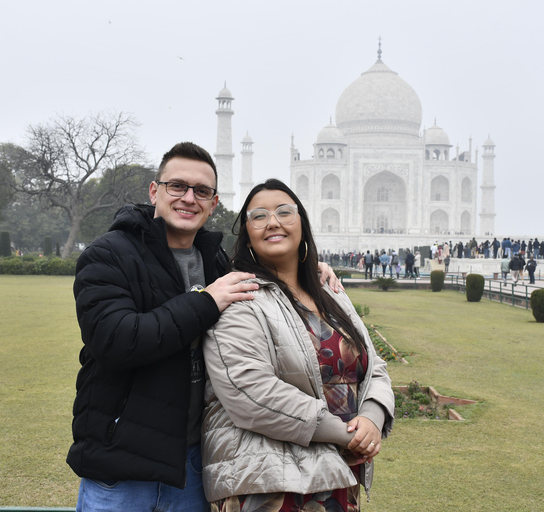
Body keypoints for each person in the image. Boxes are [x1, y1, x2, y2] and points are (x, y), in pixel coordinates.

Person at [68, 143, 339, 511]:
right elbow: (115, 340)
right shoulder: (109, 255)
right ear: (155, 191)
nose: (188, 198)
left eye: (202, 191)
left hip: (192, 465)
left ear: (213, 203)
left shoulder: (216, 262)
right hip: (121, 469)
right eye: (176, 186)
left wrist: (310, 269)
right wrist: (204, 302)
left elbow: (270, 276)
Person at [202, 179, 394, 511]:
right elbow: (250, 392)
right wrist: (348, 434)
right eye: (259, 215)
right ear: (246, 233)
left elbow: (374, 366)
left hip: (337, 474)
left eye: (284, 212)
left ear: (302, 224)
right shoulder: (238, 296)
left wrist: (372, 419)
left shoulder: (330, 292)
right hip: (268, 483)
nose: (273, 221)